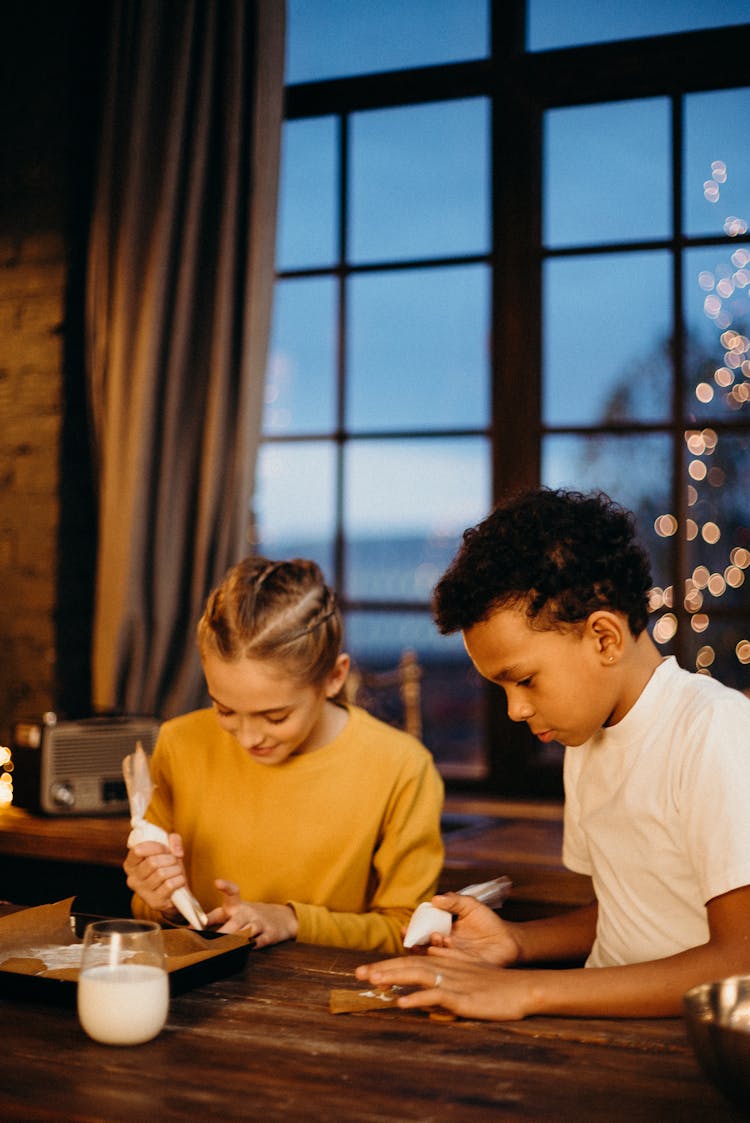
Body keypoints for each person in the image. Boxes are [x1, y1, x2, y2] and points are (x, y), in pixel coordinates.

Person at [356, 487, 750, 1019]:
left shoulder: (714, 730)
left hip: (686, 1041)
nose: (515, 710)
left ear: (604, 638)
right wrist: (515, 943)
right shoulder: (586, 737)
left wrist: (528, 991)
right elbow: (627, 912)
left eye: (524, 680)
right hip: (601, 1027)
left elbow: (739, 961)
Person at [124, 556, 444, 951]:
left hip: (325, 997)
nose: (247, 737)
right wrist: (161, 900)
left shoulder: (402, 768)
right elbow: (149, 911)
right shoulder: (179, 744)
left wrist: (292, 920)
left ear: (334, 677)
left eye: (275, 716)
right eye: (224, 710)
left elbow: (408, 932)